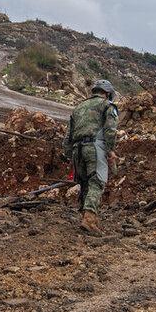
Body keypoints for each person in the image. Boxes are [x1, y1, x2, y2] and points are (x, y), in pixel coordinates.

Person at [65, 80, 119, 233]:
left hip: (77, 150)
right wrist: (110, 150)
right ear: (107, 93)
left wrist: (69, 155)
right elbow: (110, 130)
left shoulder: (78, 107)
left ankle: (88, 219)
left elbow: (68, 135)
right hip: (95, 147)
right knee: (96, 182)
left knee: (84, 183)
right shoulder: (108, 106)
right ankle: (89, 219)